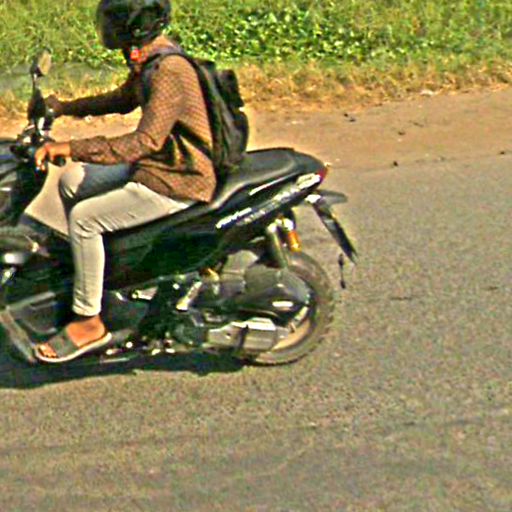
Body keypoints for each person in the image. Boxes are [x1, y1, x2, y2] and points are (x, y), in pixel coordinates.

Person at [31, 0, 216, 363]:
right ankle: (95, 274)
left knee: (85, 219)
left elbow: (143, 142)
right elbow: (122, 99)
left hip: (179, 177)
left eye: (114, 21)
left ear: (136, 25)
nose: (107, 28)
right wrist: (64, 108)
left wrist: (72, 147)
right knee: (72, 182)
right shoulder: (153, 59)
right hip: (160, 165)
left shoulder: (169, 70)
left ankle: (89, 322)